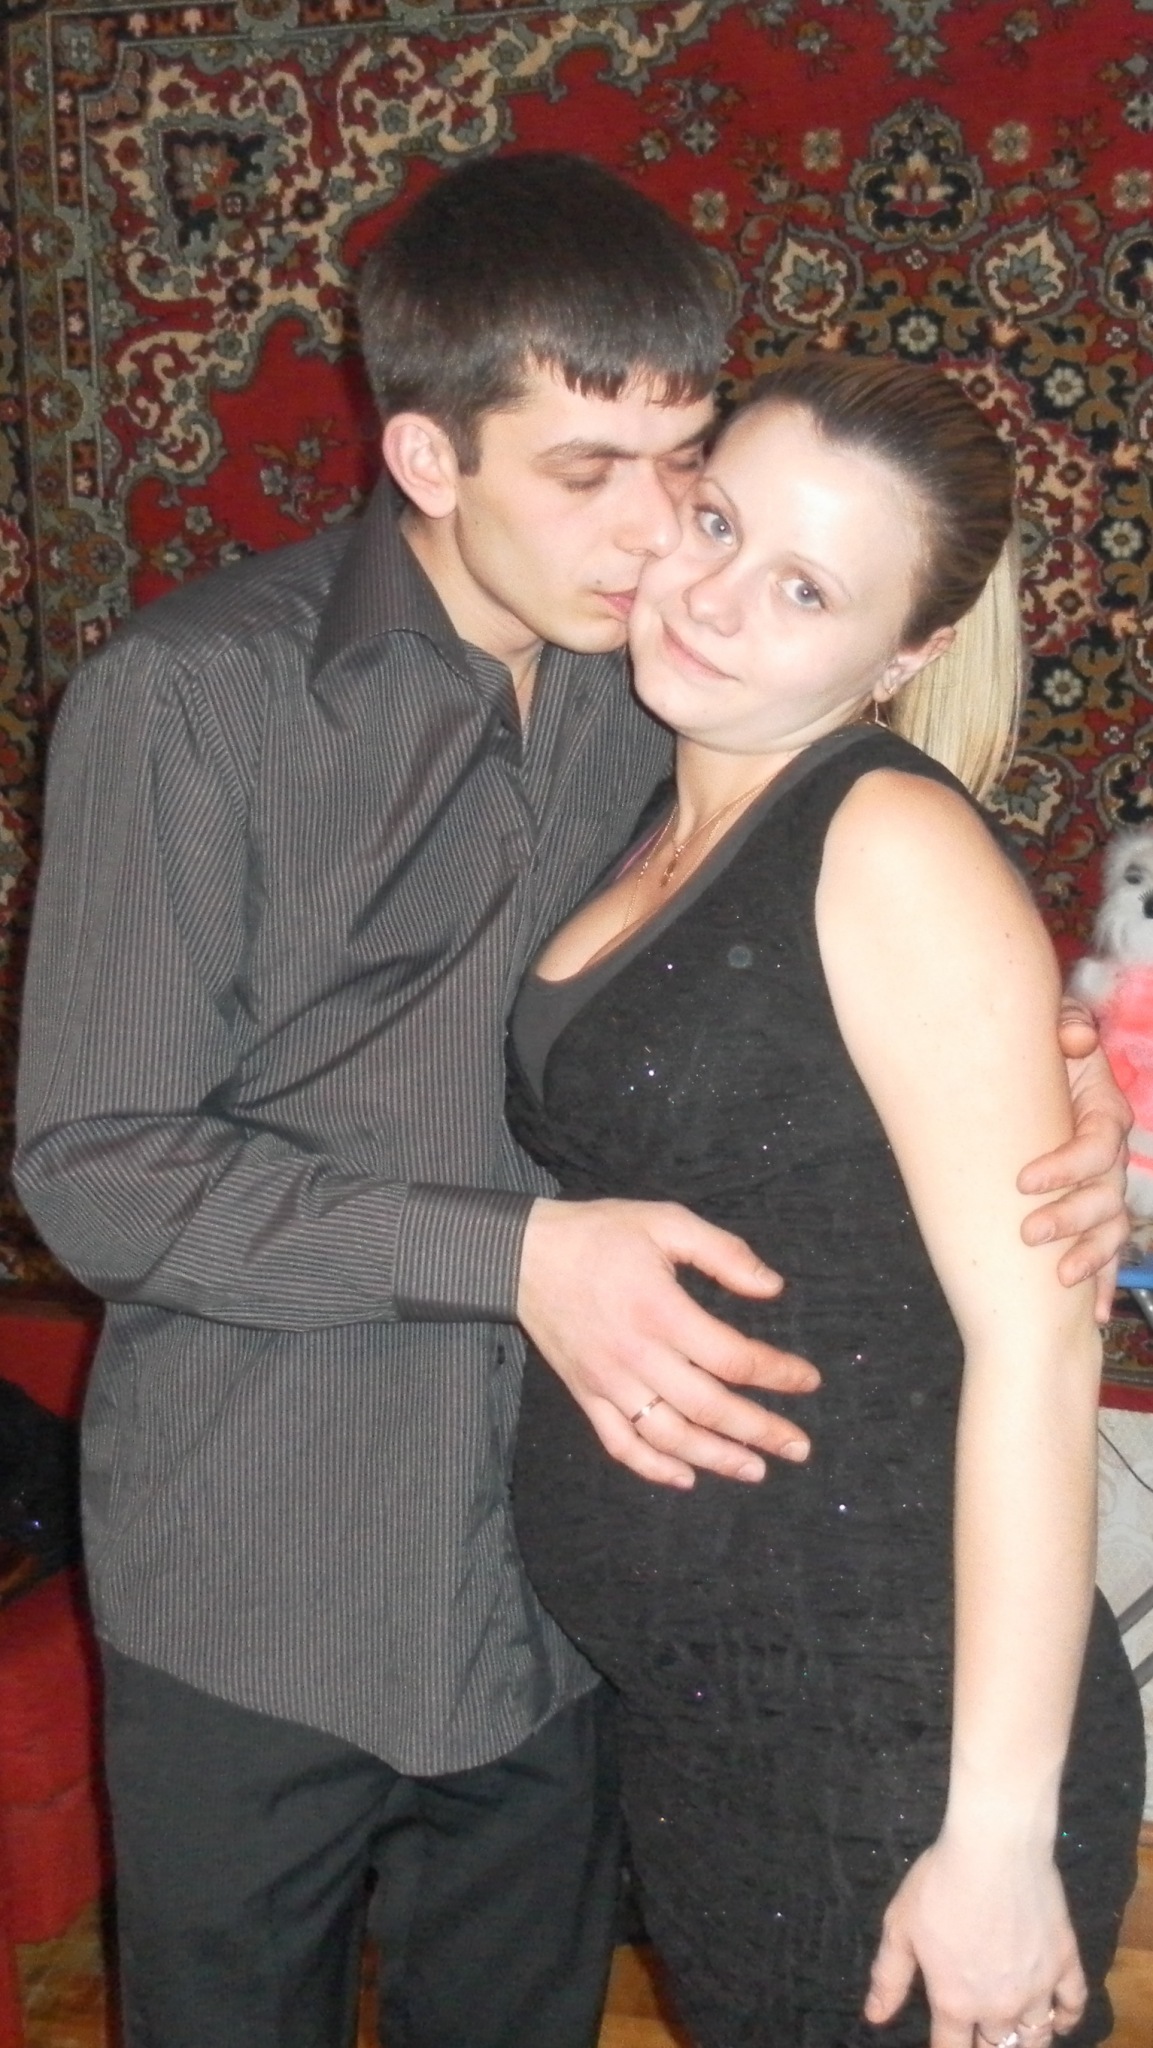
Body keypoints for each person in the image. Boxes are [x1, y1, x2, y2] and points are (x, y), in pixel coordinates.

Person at [12, 152, 1128, 2048]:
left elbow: (850, 993)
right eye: (587, 473)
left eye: (683, 469)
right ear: (428, 458)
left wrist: (1066, 1108)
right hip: (265, 1581)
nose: (655, 540)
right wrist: (513, 1253)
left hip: (560, 1633)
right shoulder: (189, 703)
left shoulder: (686, 684)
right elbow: (96, 1172)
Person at [508, 355, 1145, 2048]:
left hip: (884, 1728)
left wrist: (992, 1839)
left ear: (905, 653)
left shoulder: (882, 843)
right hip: (716, 1714)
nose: (714, 597)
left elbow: (1038, 1348)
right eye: (718, 522)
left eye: (805, 588)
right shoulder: (649, 791)